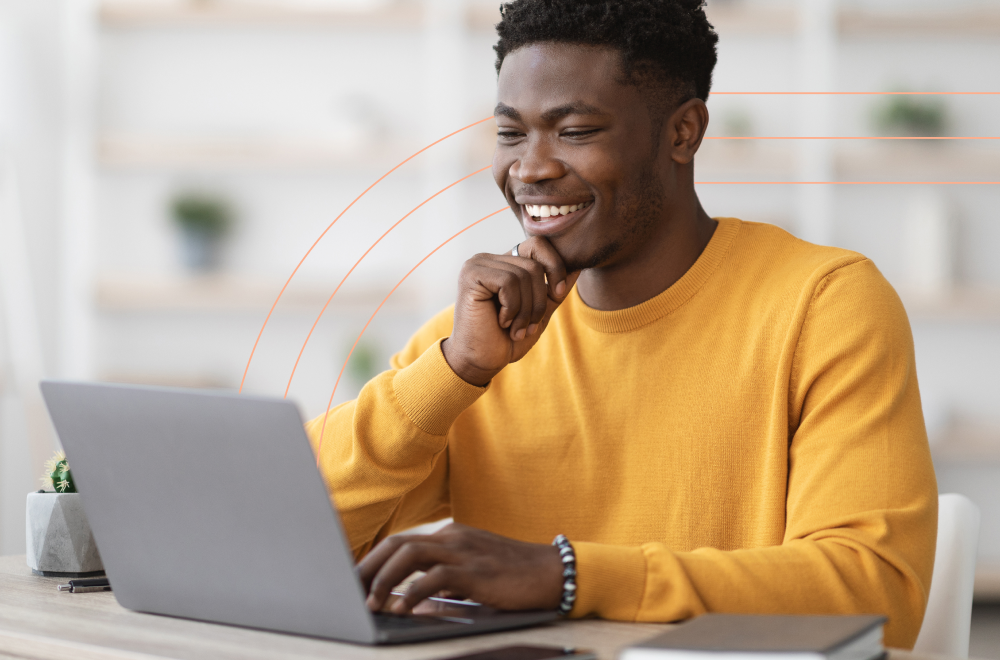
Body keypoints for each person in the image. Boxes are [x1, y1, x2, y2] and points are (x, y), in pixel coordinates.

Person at [305, 0, 937, 649]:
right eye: (511, 133)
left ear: (683, 132)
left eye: (573, 131)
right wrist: (455, 370)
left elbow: (875, 589)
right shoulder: (479, 345)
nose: (530, 168)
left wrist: (567, 575)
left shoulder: (823, 304)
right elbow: (282, 532)